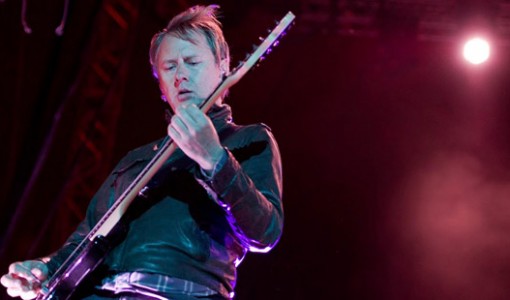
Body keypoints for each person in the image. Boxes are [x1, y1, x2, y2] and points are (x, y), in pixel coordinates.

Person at [1, 4, 283, 299]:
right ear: (160, 84)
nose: (181, 75)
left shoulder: (248, 140)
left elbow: (265, 232)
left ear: (223, 63)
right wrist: (45, 271)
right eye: (170, 66)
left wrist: (216, 160)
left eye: (192, 62)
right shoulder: (135, 160)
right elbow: (83, 242)